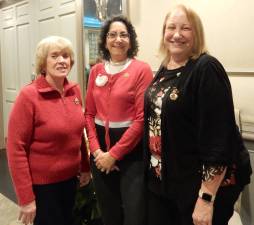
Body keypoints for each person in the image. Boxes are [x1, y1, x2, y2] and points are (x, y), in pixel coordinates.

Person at [143, 4, 252, 225]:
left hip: (197, 190)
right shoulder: (166, 67)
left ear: (197, 33)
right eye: (171, 27)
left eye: (185, 28)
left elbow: (219, 139)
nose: (176, 34)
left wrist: (206, 199)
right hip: (166, 185)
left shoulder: (206, 68)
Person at [7, 36, 91, 225]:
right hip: (43, 187)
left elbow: (78, 134)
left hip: (71, 180)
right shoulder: (29, 96)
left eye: (66, 55)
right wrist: (26, 198)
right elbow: (15, 148)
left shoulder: (74, 91)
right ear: (43, 63)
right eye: (54, 56)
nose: (62, 60)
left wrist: (85, 166)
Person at [85, 16, 153, 225]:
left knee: (134, 215)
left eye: (123, 34)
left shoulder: (141, 69)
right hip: (100, 154)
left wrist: (113, 155)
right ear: (105, 40)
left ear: (130, 40)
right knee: (109, 213)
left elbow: (142, 119)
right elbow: (88, 114)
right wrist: (97, 152)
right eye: (112, 34)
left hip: (131, 154)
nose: (118, 39)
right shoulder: (96, 70)